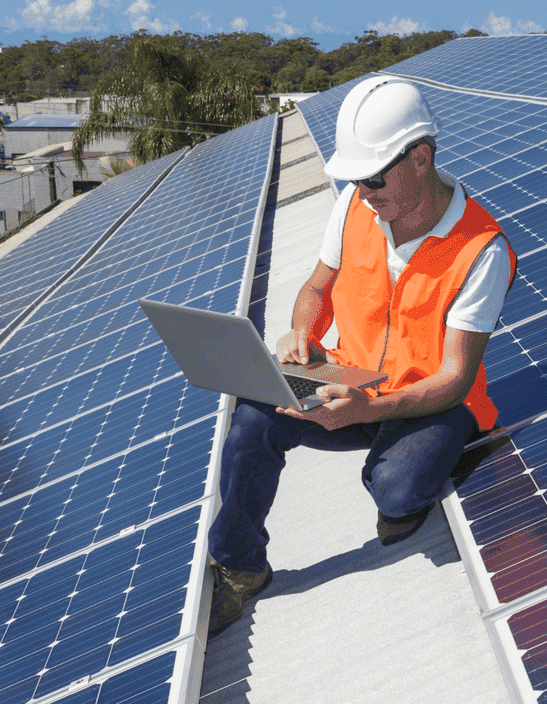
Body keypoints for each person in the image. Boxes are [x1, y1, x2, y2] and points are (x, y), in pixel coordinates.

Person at [203, 76, 516, 632]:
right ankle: (240, 566)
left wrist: (369, 410)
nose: (364, 191)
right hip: (348, 377)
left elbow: (453, 375)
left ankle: (437, 458)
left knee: (395, 494)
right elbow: (315, 290)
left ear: (420, 159)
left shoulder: (481, 249)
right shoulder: (355, 206)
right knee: (252, 420)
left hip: (432, 401)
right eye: (354, 179)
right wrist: (299, 334)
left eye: (374, 177)